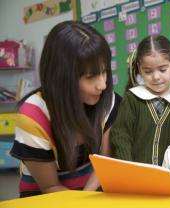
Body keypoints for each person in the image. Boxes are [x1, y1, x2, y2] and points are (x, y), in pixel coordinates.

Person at [10, 21, 121, 197]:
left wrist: (86, 197)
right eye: (90, 76)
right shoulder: (33, 116)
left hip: (90, 192)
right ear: (61, 78)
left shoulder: (107, 99)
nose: (102, 84)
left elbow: (104, 163)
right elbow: (50, 187)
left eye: (104, 71)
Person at [110, 35, 170, 166]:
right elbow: (121, 136)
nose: (156, 77)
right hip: (137, 177)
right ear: (139, 69)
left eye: (163, 69)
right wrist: (129, 169)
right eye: (148, 71)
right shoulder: (132, 98)